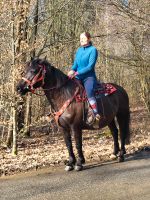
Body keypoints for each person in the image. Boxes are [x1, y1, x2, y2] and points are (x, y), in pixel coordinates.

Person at [68, 32, 101, 124]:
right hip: (77, 77)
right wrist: (72, 70)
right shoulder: (79, 50)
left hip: (88, 77)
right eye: (80, 38)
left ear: (89, 39)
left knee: (89, 91)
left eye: (83, 38)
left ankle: (95, 113)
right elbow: (75, 64)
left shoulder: (93, 50)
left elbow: (90, 66)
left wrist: (77, 72)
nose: (81, 40)